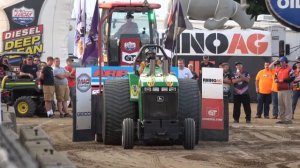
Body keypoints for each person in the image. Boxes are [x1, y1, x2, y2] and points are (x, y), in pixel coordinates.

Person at [275, 56, 295, 124]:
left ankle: (288, 119)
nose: (281, 63)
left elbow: (292, 78)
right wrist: (276, 80)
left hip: (287, 89)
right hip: (279, 89)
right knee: (280, 105)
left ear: (286, 62)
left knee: (287, 104)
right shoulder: (278, 69)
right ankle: (282, 119)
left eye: (282, 62)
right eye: (280, 62)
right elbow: (275, 77)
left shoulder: (290, 69)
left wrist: (282, 80)